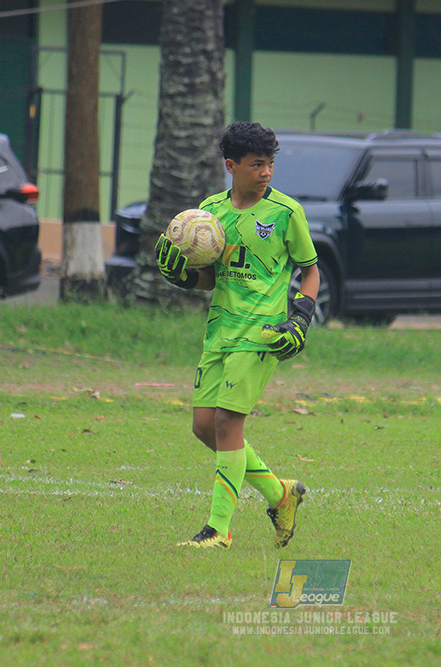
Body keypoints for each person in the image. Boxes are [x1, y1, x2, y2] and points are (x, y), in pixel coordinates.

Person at [154, 121, 320, 550]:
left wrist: (301, 316)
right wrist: (184, 279)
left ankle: (218, 529)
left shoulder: (286, 213)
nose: (266, 172)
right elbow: (210, 278)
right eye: (256, 164)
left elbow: (311, 271)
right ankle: (280, 494)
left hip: (261, 334)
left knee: (228, 422)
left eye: (270, 164)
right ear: (232, 166)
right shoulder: (210, 213)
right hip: (219, 331)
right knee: (205, 427)